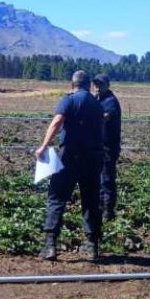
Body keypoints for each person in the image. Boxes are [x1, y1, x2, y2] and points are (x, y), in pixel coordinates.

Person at [34, 70, 105, 261]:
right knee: (90, 200)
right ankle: (92, 247)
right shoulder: (96, 105)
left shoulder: (69, 99)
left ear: (72, 84)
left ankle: (50, 246)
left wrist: (44, 146)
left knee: (56, 197)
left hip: (70, 157)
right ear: (89, 85)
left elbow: (57, 121)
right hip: (93, 158)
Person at [92, 74, 122, 221]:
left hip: (108, 147)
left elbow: (104, 117)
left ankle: (108, 211)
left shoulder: (110, 100)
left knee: (107, 179)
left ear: (108, 85)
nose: (97, 87)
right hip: (99, 146)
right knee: (99, 177)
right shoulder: (98, 99)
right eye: (96, 84)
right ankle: (100, 207)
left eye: (100, 84)